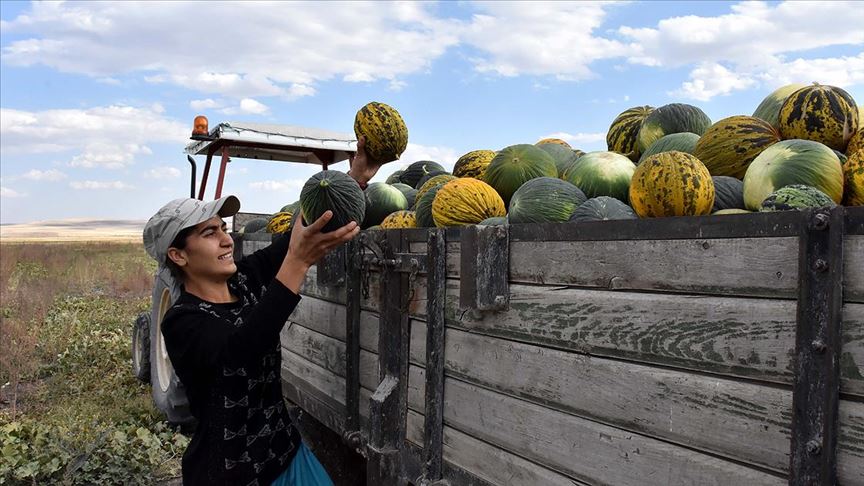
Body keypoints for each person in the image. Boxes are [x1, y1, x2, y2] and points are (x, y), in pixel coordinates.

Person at [142, 140, 380, 486]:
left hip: (289, 454)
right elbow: (242, 350)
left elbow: (295, 236)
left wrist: (353, 179)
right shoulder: (182, 322)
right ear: (178, 255)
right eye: (210, 233)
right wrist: (298, 262)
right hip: (235, 476)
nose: (227, 240)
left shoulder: (242, 280)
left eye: (224, 229)